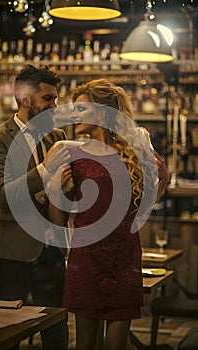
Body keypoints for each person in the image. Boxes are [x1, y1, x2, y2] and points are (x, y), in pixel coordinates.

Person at [48, 79, 170, 350]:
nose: (74, 114)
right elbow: (59, 220)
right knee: (85, 344)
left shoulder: (134, 152)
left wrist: (163, 182)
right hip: (86, 259)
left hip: (124, 258)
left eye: (81, 108)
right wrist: (55, 191)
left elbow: (141, 209)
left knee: (116, 345)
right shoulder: (73, 155)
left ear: (102, 112)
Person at [0, 64, 71, 350]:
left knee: (57, 334)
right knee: (7, 335)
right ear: (25, 99)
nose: (54, 105)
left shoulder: (57, 137)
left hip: (53, 252)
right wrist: (45, 171)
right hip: (14, 256)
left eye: (56, 98)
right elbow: (2, 197)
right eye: (48, 99)